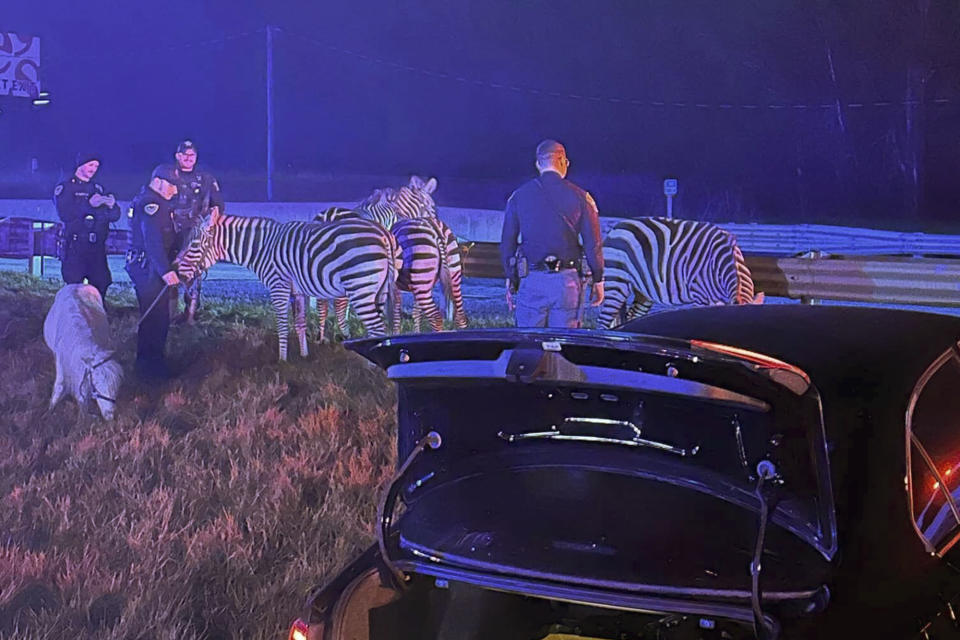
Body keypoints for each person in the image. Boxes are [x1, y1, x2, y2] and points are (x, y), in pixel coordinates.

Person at [500, 139, 604, 328]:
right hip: (567, 284)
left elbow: (508, 243)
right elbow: (593, 244)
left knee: (529, 343)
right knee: (562, 346)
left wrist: (511, 277)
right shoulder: (582, 197)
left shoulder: (518, 196)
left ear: (538, 164)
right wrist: (598, 279)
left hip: (531, 280)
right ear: (565, 162)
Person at [125, 165, 181, 380]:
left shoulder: (156, 202)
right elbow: (152, 242)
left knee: (159, 318)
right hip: (148, 269)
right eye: (172, 185)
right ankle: (149, 370)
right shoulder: (151, 204)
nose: (175, 191)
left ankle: (153, 365)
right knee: (154, 319)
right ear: (157, 181)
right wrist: (166, 271)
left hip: (150, 267)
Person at [52, 153, 122, 299]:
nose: (94, 169)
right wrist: (88, 205)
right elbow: (65, 214)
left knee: (100, 284)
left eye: (96, 166)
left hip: (97, 246)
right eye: (90, 165)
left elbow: (115, 216)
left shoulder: (98, 187)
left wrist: (111, 206)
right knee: (73, 286)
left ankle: (97, 316)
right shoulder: (66, 187)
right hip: (75, 244)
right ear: (80, 165)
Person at [171, 139, 224, 323]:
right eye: (184, 155)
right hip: (170, 233)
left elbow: (218, 205)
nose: (188, 158)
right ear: (177, 156)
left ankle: (191, 315)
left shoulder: (206, 179)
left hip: (194, 234)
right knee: (170, 271)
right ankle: (169, 314)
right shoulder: (168, 175)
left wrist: (209, 221)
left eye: (191, 155)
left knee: (193, 275)